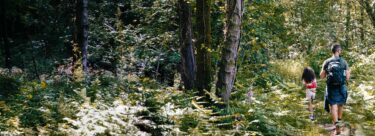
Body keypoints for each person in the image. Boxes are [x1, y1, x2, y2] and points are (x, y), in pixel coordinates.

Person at [320, 43, 350, 135]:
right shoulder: (344, 62)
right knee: (340, 105)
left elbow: (322, 76)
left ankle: (337, 128)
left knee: (333, 105)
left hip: (331, 87)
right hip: (341, 86)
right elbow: (347, 78)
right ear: (339, 51)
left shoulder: (327, 61)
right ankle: (339, 121)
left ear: (332, 51)